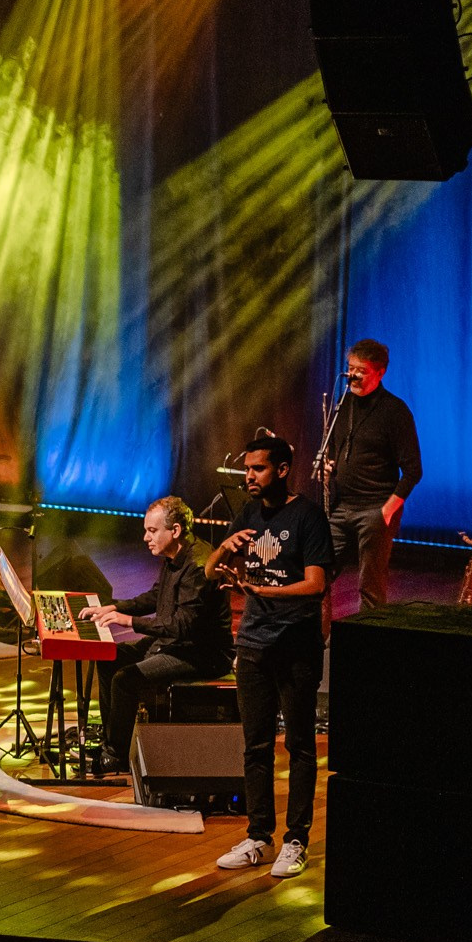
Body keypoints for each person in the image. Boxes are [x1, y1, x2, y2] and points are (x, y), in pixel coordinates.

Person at [207, 430, 333, 878]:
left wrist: (260, 589)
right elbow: (208, 569)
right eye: (247, 469)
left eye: (258, 468)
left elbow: (316, 584)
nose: (250, 476)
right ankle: (258, 836)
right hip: (254, 643)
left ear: (282, 470)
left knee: (299, 744)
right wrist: (224, 551)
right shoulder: (247, 513)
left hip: (296, 645)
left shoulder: (308, 517)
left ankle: (295, 840)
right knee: (254, 745)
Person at [82, 495, 233, 768]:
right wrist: (113, 607)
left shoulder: (197, 566)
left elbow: (182, 626)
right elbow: (156, 596)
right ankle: (114, 741)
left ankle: (115, 756)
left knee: (125, 679)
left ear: (175, 531)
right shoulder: (176, 554)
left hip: (201, 653)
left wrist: (128, 620)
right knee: (108, 658)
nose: (145, 538)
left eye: (152, 531)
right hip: (177, 641)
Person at [316, 338, 422, 626]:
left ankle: (371, 649)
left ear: (380, 372)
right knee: (318, 574)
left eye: (361, 370)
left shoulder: (394, 411)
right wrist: (330, 468)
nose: (353, 375)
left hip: (375, 509)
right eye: (350, 368)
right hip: (341, 508)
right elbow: (336, 452)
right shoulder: (343, 404)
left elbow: (413, 470)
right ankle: (318, 645)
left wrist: (387, 510)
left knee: (370, 587)